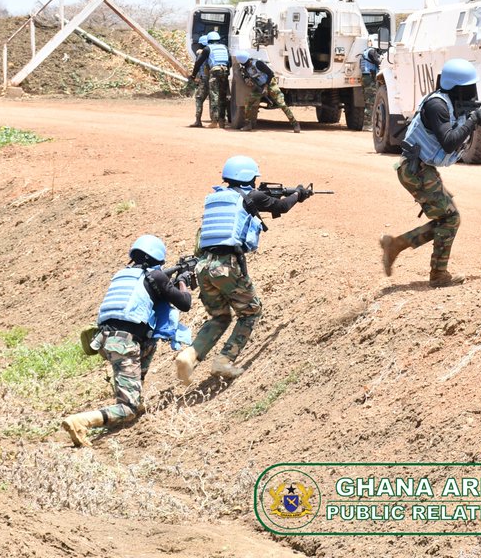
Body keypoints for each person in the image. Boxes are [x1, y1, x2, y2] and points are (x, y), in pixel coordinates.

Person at [174, 155, 311, 382]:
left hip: (203, 266)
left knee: (219, 317)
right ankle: (224, 361)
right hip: (226, 266)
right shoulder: (252, 195)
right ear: (247, 176)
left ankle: (190, 354)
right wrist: (298, 194)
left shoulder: (215, 199)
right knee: (251, 312)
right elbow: (282, 206)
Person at [61, 235, 192, 447]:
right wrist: (183, 280)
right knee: (128, 410)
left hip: (107, 340)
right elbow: (185, 303)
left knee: (151, 341)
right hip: (124, 342)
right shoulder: (156, 277)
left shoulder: (123, 275)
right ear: (158, 257)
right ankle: (81, 421)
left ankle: (134, 395)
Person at [379, 58, 481, 288]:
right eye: (468, 87)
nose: (472, 92)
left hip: (421, 168)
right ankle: (438, 275)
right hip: (415, 169)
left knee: (446, 218)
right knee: (450, 218)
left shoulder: (451, 102)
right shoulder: (437, 106)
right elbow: (450, 141)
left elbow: (477, 124)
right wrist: (473, 120)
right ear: (456, 87)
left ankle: (397, 245)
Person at [233, 49, 301, 133]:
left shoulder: (258, 63)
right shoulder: (246, 69)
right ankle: (248, 124)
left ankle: (295, 123)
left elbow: (270, 74)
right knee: (248, 103)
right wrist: (247, 80)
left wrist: (265, 86)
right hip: (259, 88)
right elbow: (246, 77)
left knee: (281, 104)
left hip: (270, 84)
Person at [189, 31, 231, 128]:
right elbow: (230, 62)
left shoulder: (207, 49)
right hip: (225, 71)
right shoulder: (224, 47)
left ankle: (214, 122)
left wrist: (193, 75)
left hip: (214, 73)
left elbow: (198, 63)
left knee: (214, 96)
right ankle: (222, 121)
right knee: (222, 97)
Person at [359, 45, 382, 132]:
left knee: (369, 102)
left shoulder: (366, 51)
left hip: (367, 77)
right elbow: (378, 62)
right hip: (370, 78)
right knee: (371, 102)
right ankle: (367, 125)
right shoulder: (372, 52)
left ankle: (368, 124)